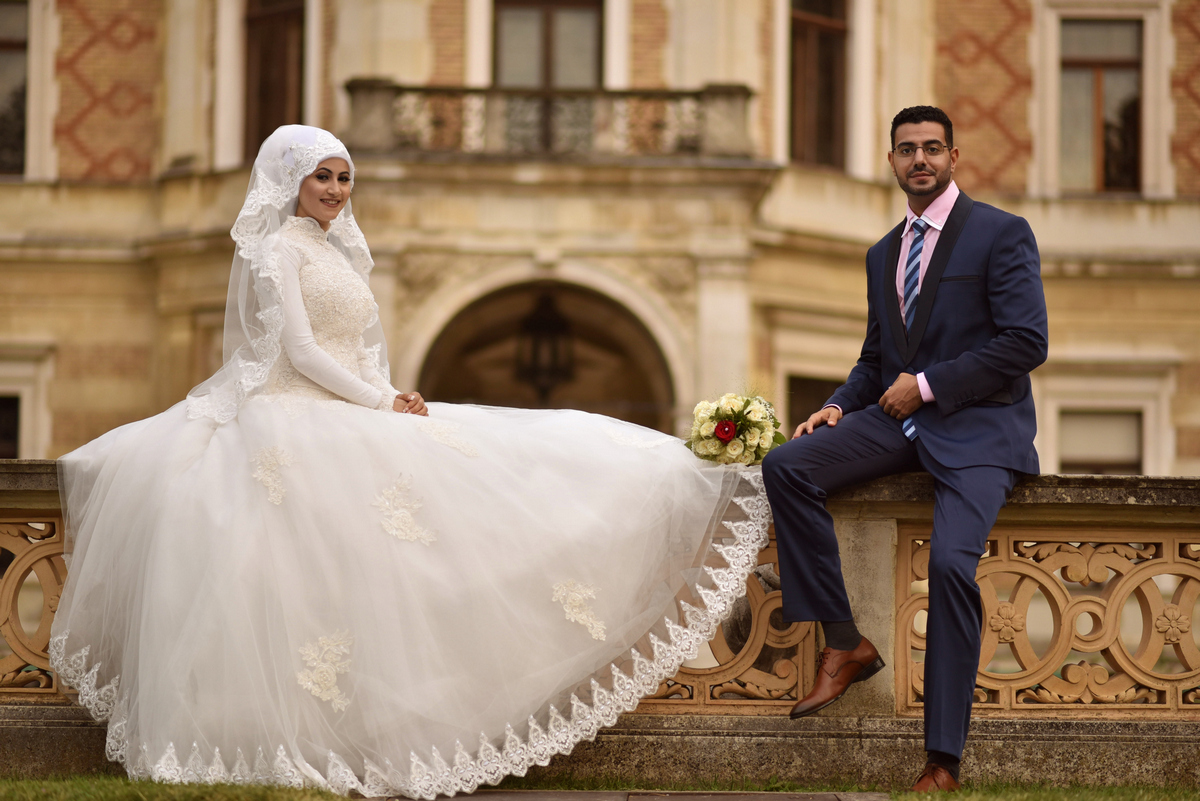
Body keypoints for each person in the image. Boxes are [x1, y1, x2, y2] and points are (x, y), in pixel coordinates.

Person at [49, 125, 770, 798]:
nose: (335, 189)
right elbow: (297, 353)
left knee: (514, 466)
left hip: (356, 405)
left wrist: (394, 393)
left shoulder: (336, 252)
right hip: (294, 418)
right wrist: (377, 401)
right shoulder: (280, 250)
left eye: (344, 177)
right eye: (322, 176)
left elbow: (358, 347)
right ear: (290, 180)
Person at [762, 106, 1048, 792]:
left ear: (955, 155)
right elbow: (874, 359)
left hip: (980, 431)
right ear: (890, 161)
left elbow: (1025, 342)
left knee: (952, 565)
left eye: (931, 148)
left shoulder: (1001, 234)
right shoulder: (883, 252)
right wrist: (836, 402)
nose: (919, 159)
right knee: (787, 465)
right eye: (906, 150)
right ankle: (843, 641)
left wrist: (924, 385)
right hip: (896, 426)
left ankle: (942, 760)